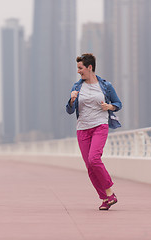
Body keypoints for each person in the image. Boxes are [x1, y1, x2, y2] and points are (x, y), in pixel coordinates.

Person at [66, 53, 122, 210]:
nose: (78, 71)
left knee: (94, 159)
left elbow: (118, 103)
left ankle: (110, 192)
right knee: (89, 167)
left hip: (100, 125)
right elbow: (69, 110)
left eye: (80, 68)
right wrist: (71, 100)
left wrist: (109, 107)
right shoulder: (77, 87)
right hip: (82, 129)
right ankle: (105, 199)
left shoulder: (105, 85)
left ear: (89, 67)